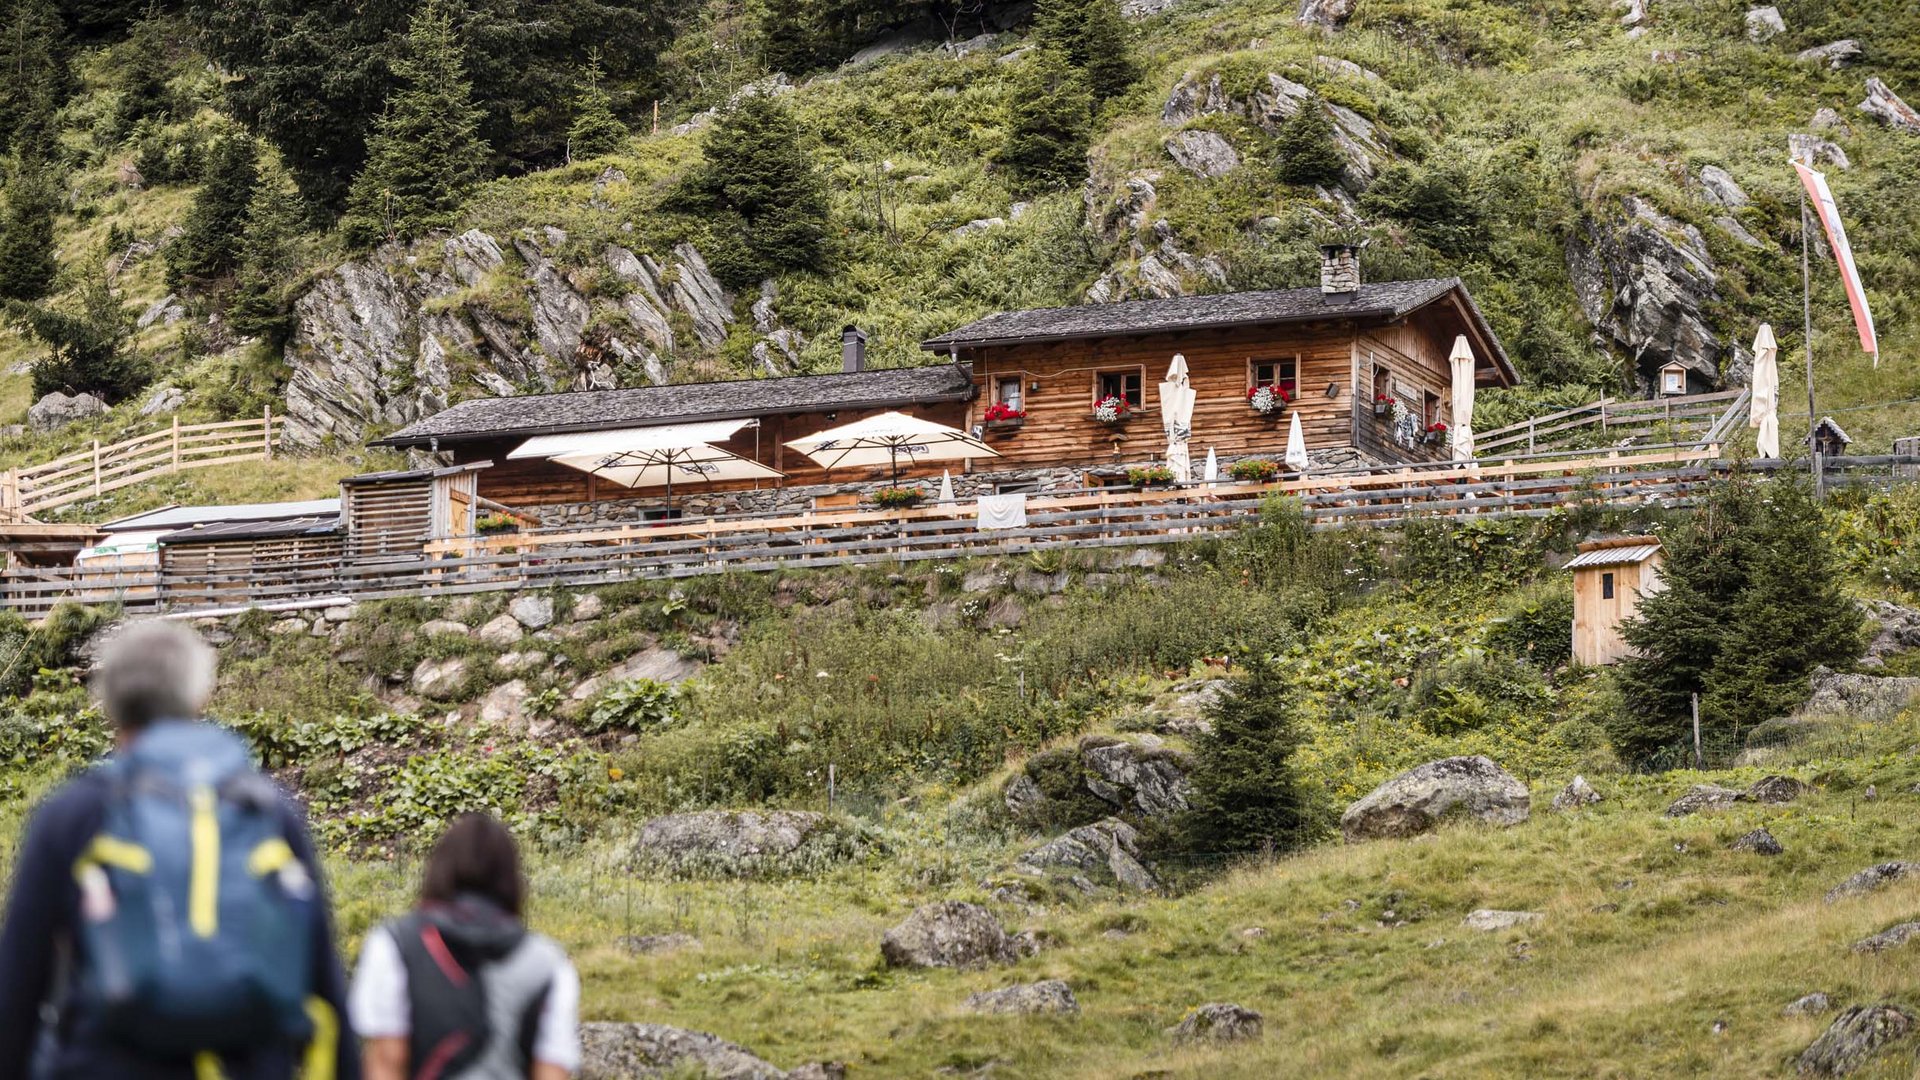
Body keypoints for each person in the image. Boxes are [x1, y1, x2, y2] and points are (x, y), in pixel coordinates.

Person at [0, 619, 360, 1080]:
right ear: (198, 696)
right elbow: (324, 981)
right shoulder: (267, 810)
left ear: (109, 704)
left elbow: (18, 990)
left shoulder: (74, 815)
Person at [349, 813, 580, 1080]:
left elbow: (386, 1062)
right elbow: (552, 1072)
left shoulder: (394, 944)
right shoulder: (548, 963)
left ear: (438, 869)